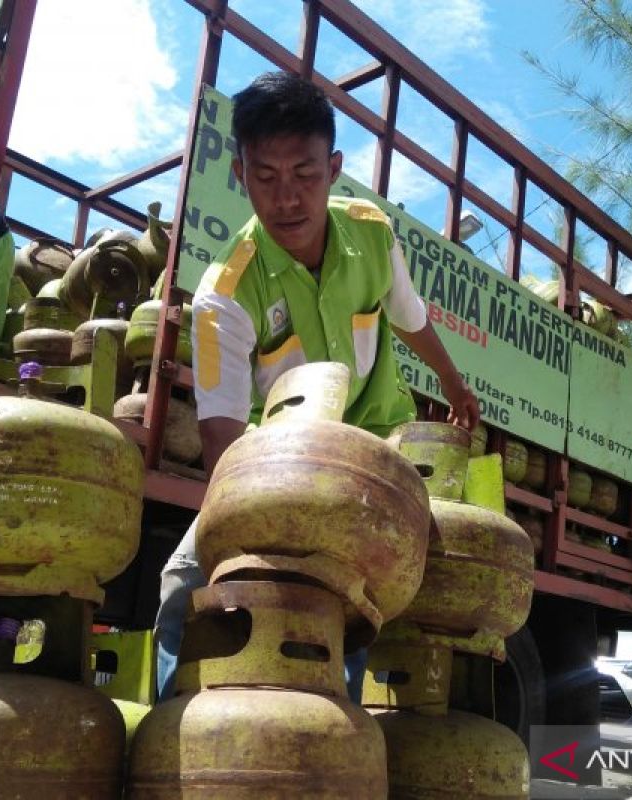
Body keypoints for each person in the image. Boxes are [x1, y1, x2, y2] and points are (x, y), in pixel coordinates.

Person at [154, 71, 480, 701]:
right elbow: (223, 441)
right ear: (240, 177)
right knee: (184, 584)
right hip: (276, 466)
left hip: (378, 454)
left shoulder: (372, 233)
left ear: (333, 168)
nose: (286, 199)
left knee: (350, 603)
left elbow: (410, 317)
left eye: (304, 174)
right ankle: (177, 735)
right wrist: (276, 522)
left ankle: (334, 732)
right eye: (266, 178)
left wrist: (453, 382)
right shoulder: (223, 296)